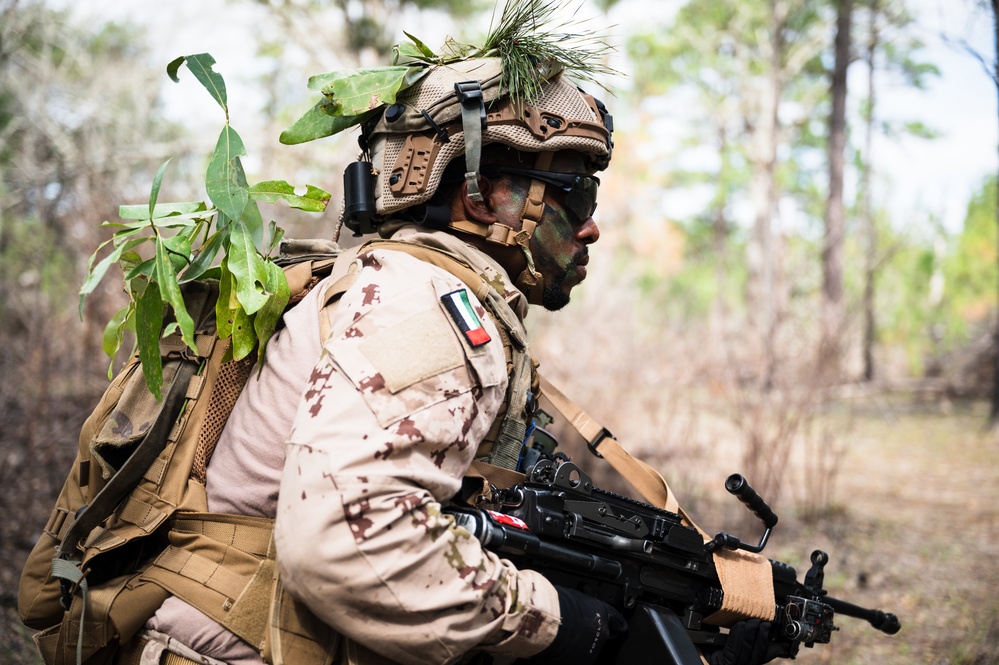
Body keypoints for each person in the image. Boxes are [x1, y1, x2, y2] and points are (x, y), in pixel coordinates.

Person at [134, 37, 774, 665]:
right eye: (573, 193)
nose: (591, 225)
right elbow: (347, 540)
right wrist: (559, 622)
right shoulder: (421, 305)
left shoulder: (408, 285)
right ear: (478, 196)